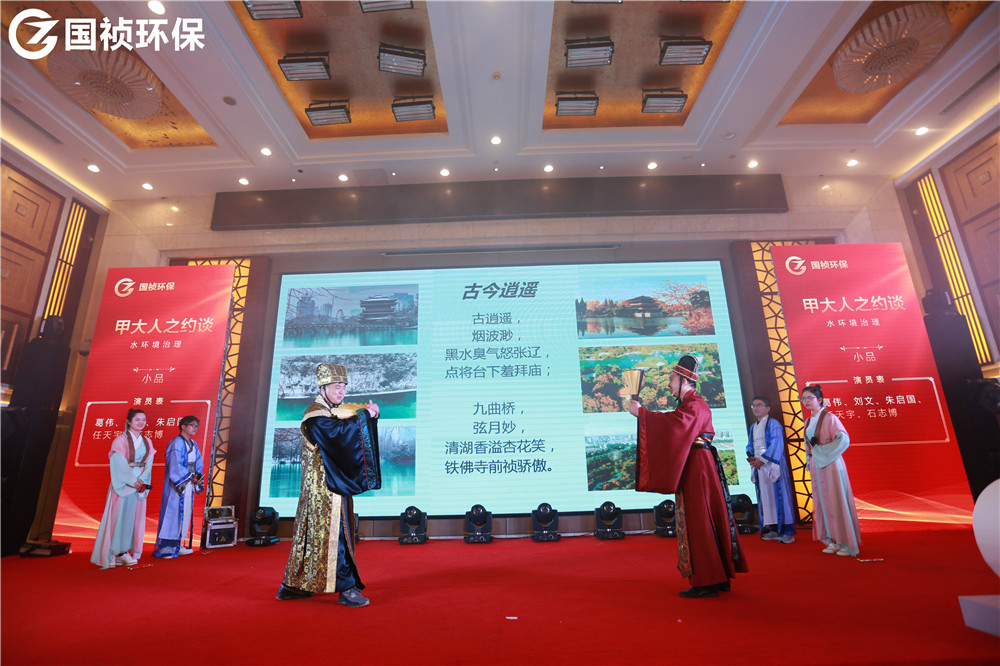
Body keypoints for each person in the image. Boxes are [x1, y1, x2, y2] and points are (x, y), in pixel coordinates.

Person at [629, 354, 747, 598]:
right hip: (698, 465)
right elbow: (675, 424)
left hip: (698, 467)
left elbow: (675, 426)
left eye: (672, 379)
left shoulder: (694, 405)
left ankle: (707, 581)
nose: (669, 384)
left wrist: (642, 413)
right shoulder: (691, 404)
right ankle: (717, 576)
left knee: (699, 520)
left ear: (685, 380)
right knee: (704, 518)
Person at [277, 363, 381, 606]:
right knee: (337, 536)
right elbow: (339, 435)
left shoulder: (328, 413)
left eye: (344, 386)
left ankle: (293, 586)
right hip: (325, 489)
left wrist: (367, 416)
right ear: (323, 388)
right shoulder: (315, 416)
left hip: (323, 486)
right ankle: (346, 589)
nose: (341, 391)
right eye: (337, 386)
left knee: (309, 536)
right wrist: (365, 415)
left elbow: (343, 431)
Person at [90, 408, 155, 569]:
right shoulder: (120, 440)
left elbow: (149, 463)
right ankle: (110, 553)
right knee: (117, 517)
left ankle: (122, 552)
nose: (141, 422)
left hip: (139, 483)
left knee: (132, 519)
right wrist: (133, 480)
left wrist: (142, 480)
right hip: (124, 483)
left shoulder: (147, 441)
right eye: (137, 419)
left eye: (143, 419)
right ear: (129, 421)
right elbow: (118, 462)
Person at [802, 384, 861, 557]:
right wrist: (811, 457)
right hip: (817, 465)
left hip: (831, 464)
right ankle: (833, 540)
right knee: (823, 502)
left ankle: (846, 542)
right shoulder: (808, 421)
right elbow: (809, 446)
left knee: (836, 501)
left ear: (820, 399)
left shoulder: (830, 417)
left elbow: (844, 440)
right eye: (803, 398)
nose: (806, 401)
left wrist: (820, 451)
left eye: (810, 398)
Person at [746, 395, 796, 543]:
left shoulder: (774, 424)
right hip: (759, 465)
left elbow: (776, 444)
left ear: (768, 408)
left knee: (780, 496)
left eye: (759, 405)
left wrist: (762, 460)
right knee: (766, 498)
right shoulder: (753, 426)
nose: (755, 408)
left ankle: (787, 532)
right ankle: (772, 529)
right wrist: (751, 457)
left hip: (772, 465)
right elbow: (750, 444)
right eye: (753, 405)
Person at [152, 415, 205, 558]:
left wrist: (198, 477)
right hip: (177, 486)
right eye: (192, 425)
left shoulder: (193, 444)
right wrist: (190, 477)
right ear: (183, 426)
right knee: (172, 515)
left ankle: (177, 544)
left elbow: (198, 464)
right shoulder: (176, 443)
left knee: (185, 514)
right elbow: (174, 465)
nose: (195, 428)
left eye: (196, 426)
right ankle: (166, 548)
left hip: (189, 484)